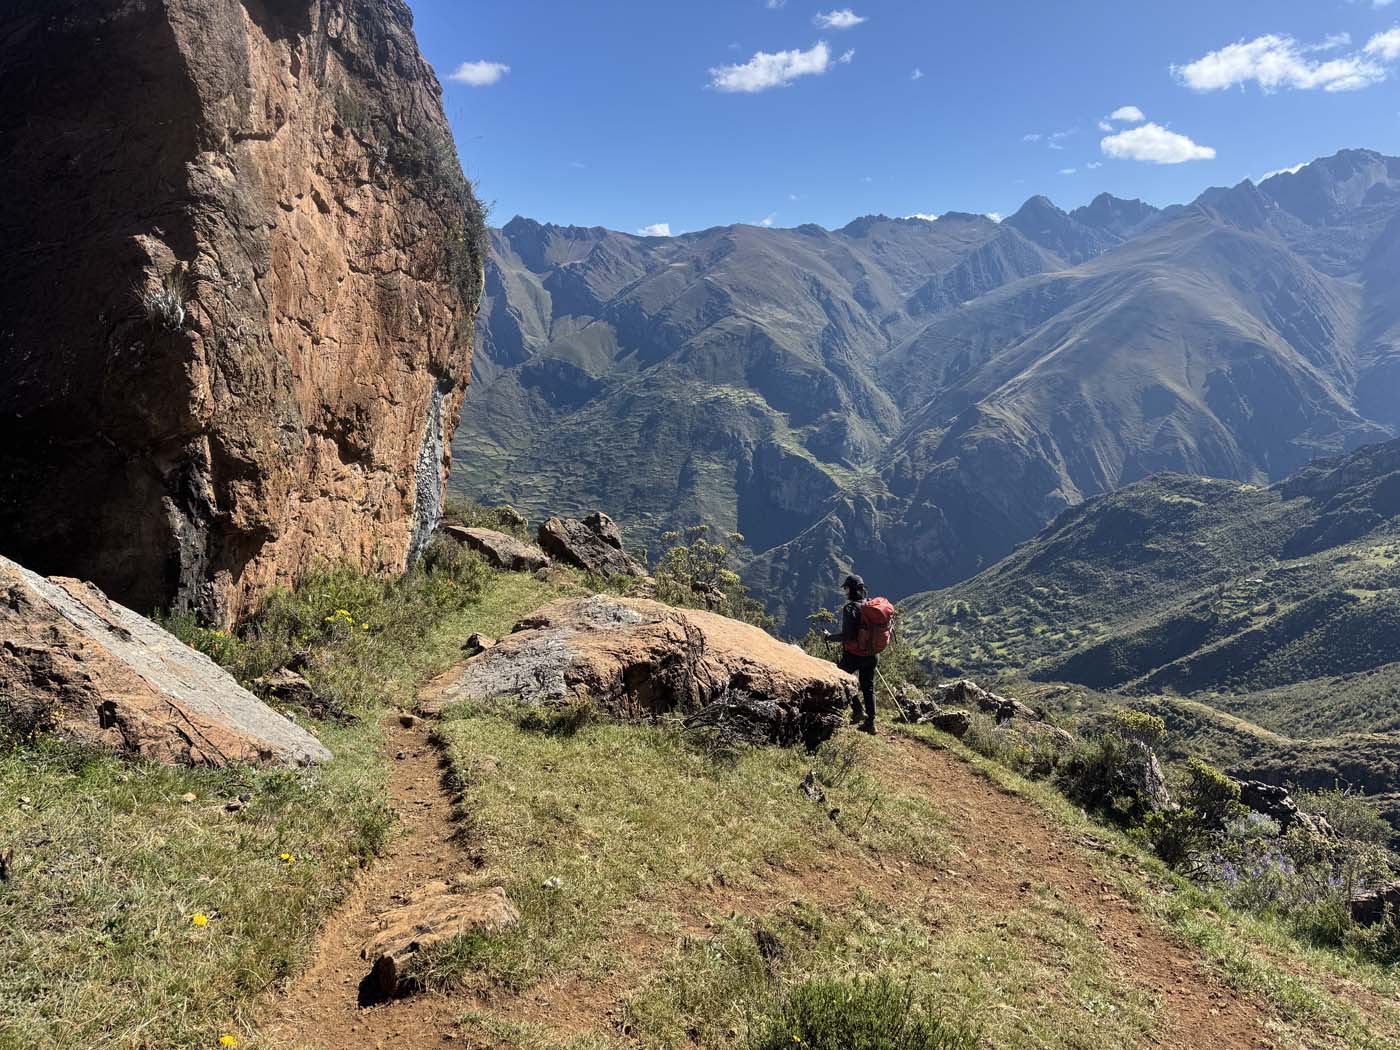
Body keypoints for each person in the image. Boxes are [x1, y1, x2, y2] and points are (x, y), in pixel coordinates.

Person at [825, 573, 877, 734]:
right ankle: (871, 723)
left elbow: (848, 636)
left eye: (846, 588)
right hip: (872, 653)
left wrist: (828, 637)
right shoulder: (870, 605)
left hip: (854, 654)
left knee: (841, 679)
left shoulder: (850, 608)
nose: (845, 591)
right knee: (868, 687)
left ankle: (858, 709)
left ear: (852, 590)